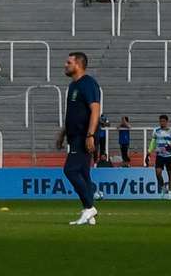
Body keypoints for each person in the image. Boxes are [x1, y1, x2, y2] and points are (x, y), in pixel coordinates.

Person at [57, 52, 101, 225]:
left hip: (84, 136)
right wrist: (62, 134)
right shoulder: (73, 86)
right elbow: (72, 114)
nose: (65, 64)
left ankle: (90, 207)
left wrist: (90, 135)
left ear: (78, 64)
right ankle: (88, 213)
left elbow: (95, 110)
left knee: (70, 170)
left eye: (68, 62)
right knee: (83, 174)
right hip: (75, 135)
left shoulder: (88, 83)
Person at [146, 114, 171, 199]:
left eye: (163, 121)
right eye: (160, 121)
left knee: (170, 175)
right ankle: (164, 189)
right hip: (159, 155)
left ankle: (170, 194)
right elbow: (153, 143)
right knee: (158, 173)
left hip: (169, 156)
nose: (162, 123)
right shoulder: (156, 130)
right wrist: (149, 152)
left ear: (167, 122)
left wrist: (168, 148)